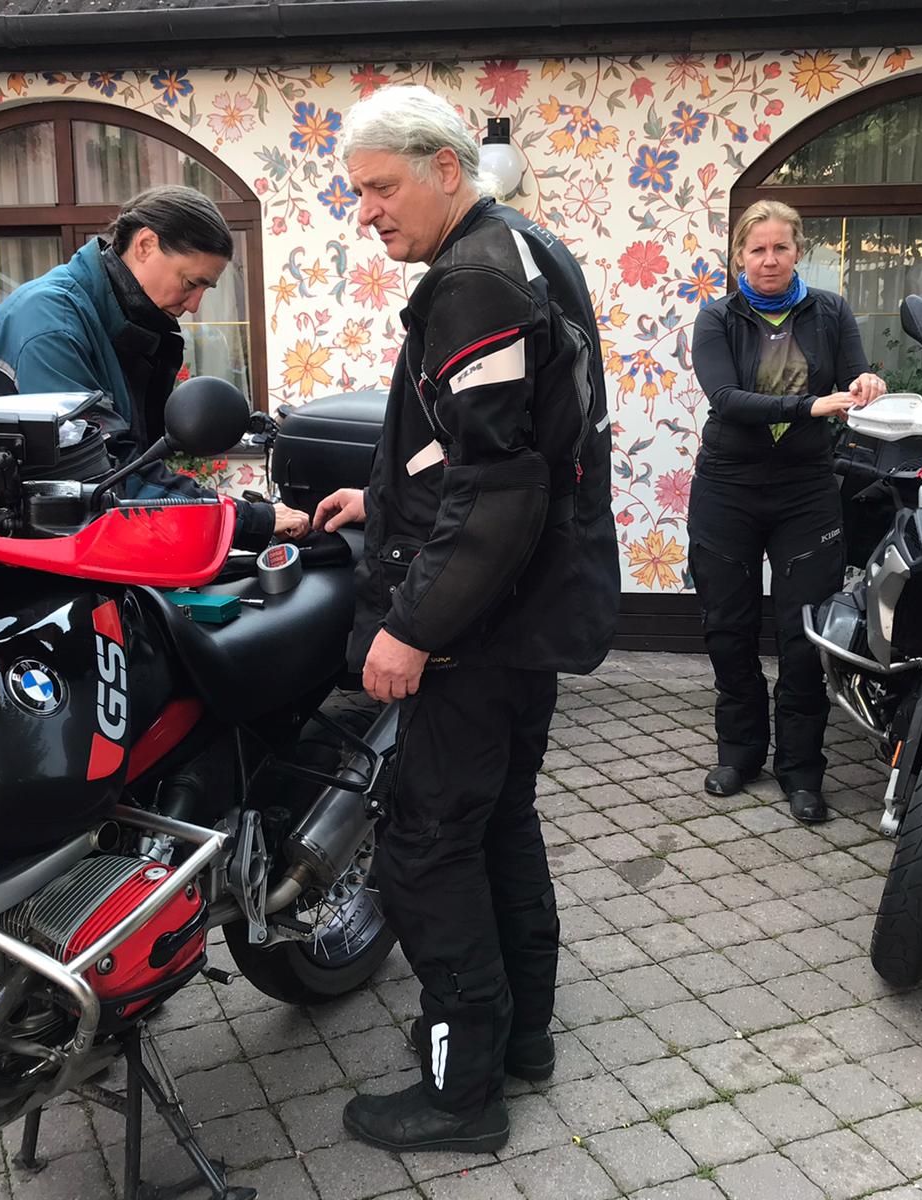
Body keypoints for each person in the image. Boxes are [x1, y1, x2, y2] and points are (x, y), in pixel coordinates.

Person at [313, 84, 619, 1153]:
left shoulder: (473, 280)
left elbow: (498, 488)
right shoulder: (523, 248)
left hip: (479, 628)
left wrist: (412, 629)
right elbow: (493, 445)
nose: (366, 212)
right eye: (358, 193)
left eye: (380, 187)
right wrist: (382, 498)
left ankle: (460, 1095)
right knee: (497, 822)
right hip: (528, 614)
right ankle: (520, 1040)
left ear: (446, 168)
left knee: (427, 849)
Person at [0, 184, 307, 549]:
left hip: (49, 538)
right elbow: (109, 476)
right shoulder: (52, 322)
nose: (194, 305)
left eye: (204, 290)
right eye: (190, 283)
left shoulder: (121, 322)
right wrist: (248, 519)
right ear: (145, 245)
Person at [687, 199, 885, 825]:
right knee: (729, 628)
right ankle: (740, 753)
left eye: (780, 248)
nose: (769, 260)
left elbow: (854, 378)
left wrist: (868, 385)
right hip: (728, 487)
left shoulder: (830, 311)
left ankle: (801, 770)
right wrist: (811, 407)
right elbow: (726, 398)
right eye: (757, 249)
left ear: (799, 251)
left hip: (805, 489)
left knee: (804, 637)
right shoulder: (717, 318)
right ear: (739, 257)